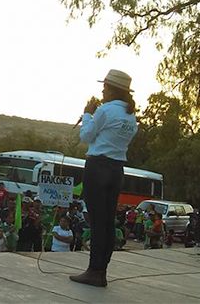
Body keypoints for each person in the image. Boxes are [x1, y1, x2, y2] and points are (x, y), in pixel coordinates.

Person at [70, 69, 138, 288]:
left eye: (105, 87)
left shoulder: (105, 110)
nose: (102, 90)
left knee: (97, 221)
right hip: (117, 168)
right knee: (107, 220)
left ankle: (94, 271)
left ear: (111, 89)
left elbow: (86, 136)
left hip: (98, 166)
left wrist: (88, 115)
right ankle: (101, 270)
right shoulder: (130, 115)